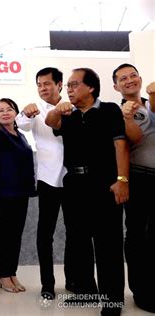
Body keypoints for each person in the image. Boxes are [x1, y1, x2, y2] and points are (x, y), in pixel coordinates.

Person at [46, 68, 128, 316]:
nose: (68, 89)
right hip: (74, 186)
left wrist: (122, 179)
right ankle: (86, 291)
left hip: (104, 184)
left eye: (73, 85)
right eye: (67, 86)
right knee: (79, 241)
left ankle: (113, 300)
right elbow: (51, 122)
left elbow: (120, 145)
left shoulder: (110, 110)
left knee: (108, 245)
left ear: (90, 87)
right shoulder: (68, 113)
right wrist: (57, 108)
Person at [15, 67, 78, 299]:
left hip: (72, 180)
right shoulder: (36, 111)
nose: (43, 88)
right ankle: (47, 285)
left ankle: (73, 280)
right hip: (47, 180)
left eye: (48, 84)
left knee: (75, 233)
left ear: (60, 85)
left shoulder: (73, 105)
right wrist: (25, 113)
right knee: (45, 235)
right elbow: (20, 125)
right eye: (39, 84)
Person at [112, 63, 155, 313]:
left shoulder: (150, 104)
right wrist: (126, 115)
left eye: (132, 75)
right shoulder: (119, 111)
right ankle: (141, 291)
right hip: (138, 177)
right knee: (138, 235)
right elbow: (135, 138)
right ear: (116, 86)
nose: (129, 80)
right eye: (123, 78)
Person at [0, 98, 36, 294]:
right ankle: (3, 275)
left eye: (9, 109)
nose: (5, 113)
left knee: (16, 235)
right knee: (6, 235)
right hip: (4, 193)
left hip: (21, 192)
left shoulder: (21, 135)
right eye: (1, 110)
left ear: (15, 113)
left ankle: (12, 272)